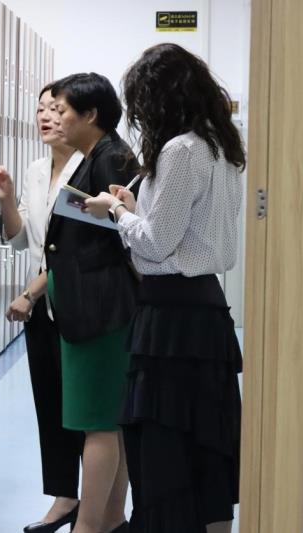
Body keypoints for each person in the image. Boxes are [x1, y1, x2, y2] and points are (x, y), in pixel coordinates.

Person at [84, 43, 245, 533]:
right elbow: (183, 231)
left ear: (161, 99)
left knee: (162, 446)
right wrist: (138, 208)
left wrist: (117, 211)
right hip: (207, 312)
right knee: (205, 442)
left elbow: (155, 244)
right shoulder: (221, 146)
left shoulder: (179, 150)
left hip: (169, 318)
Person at [0, 81, 85, 533]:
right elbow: (21, 238)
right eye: (41, 108)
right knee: (51, 402)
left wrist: (30, 293)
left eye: (56, 108)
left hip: (75, 302)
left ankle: (99, 504)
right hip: (43, 307)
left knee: (88, 409)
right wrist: (7, 199)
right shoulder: (36, 169)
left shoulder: (89, 167)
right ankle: (64, 498)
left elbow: (73, 251)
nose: (46, 116)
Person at [44, 73, 140, 533]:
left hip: (100, 311)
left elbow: (124, 233)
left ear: (91, 115)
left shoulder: (111, 158)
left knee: (98, 423)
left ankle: (87, 526)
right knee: (107, 422)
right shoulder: (95, 156)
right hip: (92, 308)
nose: (55, 117)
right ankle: (111, 521)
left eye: (62, 110)